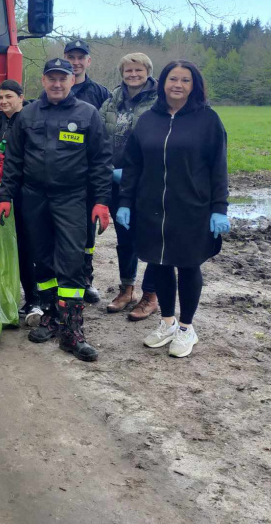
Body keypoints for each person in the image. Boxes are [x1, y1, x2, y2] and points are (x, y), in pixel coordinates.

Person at [0, 58, 112, 362]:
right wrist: (5, 196)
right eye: (52, 78)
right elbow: (14, 160)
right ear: (43, 81)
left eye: (63, 78)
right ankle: (49, 314)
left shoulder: (88, 115)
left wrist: (101, 201)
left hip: (72, 198)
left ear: (72, 80)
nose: (57, 83)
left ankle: (72, 328)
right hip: (34, 197)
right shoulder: (28, 115)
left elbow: (101, 162)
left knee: (72, 259)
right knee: (41, 259)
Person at [116, 60, 229, 358]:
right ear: (163, 83)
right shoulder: (148, 120)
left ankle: (186, 328)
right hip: (151, 208)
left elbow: (219, 168)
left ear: (194, 86)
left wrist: (219, 208)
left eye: (185, 80)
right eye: (173, 79)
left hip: (192, 208)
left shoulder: (208, 120)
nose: (178, 85)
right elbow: (132, 166)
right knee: (160, 263)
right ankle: (167, 322)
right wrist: (125, 202)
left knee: (188, 265)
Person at [99, 53, 159, 319]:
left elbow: (163, 144)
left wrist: (138, 173)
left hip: (148, 183)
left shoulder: (159, 102)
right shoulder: (111, 101)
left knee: (152, 238)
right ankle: (127, 289)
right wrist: (107, 171)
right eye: (128, 70)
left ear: (147, 71)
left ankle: (151, 294)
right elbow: (98, 133)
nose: (133, 74)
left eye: (138, 70)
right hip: (115, 181)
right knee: (124, 238)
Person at [0, 79, 39, 321]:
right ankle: (8, 298)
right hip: (1, 190)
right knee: (7, 248)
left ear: (20, 96)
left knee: (28, 247)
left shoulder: (30, 118)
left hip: (26, 190)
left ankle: (35, 299)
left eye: (8, 96)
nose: (4, 102)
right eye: (0, 98)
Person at [64, 39, 111, 305]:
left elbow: (109, 134)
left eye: (80, 57)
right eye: (71, 56)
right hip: (64, 175)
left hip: (90, 175)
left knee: (87, 234)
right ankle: (65, 279)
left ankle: (86, 279)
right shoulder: (56, 90)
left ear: (88, 61)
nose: (76, 61)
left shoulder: (101, 94)